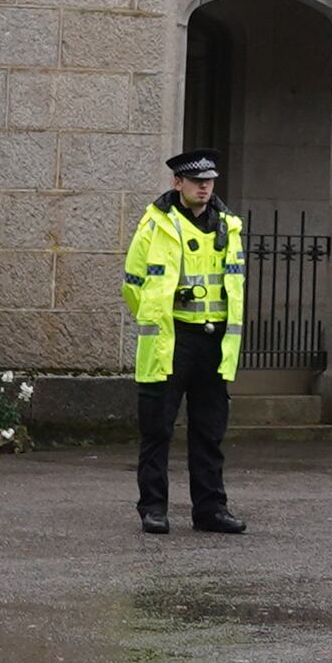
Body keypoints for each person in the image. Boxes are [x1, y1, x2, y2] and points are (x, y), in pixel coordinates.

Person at [123, 149, 246, 537]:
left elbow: (235, 289)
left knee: (209, 432)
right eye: (196, 181)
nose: (204, 186)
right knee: (157, 429)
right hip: (170, 340)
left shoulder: (229, 227)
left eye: (209, 180)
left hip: (213, 342)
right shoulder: (156, 225)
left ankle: (210, 509)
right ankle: (154, 508)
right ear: (178, 183)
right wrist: (160, 313)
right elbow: (132, 284)